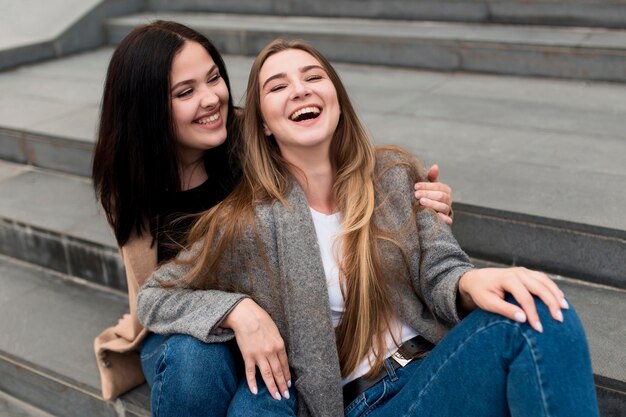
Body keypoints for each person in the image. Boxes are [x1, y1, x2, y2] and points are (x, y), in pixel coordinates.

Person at [138, 38, 600, 417]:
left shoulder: (394, 174)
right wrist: (237, 310)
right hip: (367, 402)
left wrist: (471, 280)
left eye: (313, 77)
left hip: (436, 369)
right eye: (278, 86)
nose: (300, 90)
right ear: (262, 126)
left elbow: (440, 267)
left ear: (336, 97)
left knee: (542, 312)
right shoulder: (243, 224)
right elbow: (155, 296)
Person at [91, 21, 455, 414]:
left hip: (281, 323)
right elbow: (155, 292)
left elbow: (340, 161)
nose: (212, 98)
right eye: (185, 92)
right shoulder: (130, 180)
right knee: (193, 357)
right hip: (187, 322)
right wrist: (236, 311)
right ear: (148, 108)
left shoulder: (255, 139)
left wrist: (417, 198)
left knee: (261, 400)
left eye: (214, 78)